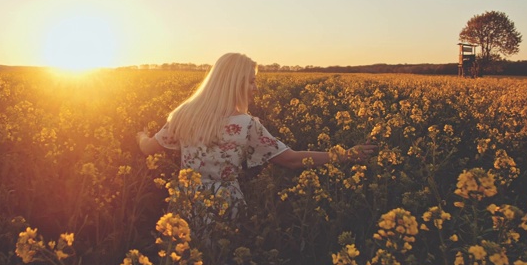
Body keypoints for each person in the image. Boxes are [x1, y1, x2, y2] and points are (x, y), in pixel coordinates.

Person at [136, 52, 377, 217]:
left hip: (184, 205)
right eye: (251, 82)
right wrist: (345, 155)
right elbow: (291, 160)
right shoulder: (246, 125)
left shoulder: (183, 115)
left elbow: (148, 148)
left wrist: (140, 136)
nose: (256, 89)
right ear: (234, 83)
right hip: (224, 207)